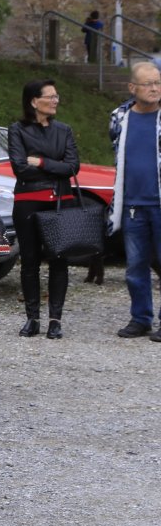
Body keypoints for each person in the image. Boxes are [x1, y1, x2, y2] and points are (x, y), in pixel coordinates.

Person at [9, 79, 81, 339]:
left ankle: (55, 320)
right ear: (33, 101)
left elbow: (72, 167)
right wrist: (55, 166)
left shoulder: (64, 130)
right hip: (28, 203)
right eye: (50, 96)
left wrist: (40, 162)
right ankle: (32, 318)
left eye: (56, 96)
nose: (55, 101)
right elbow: (19, 167)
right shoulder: (17, 130)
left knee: (59, 260)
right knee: (29, 261)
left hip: (60, 202)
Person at [109, 62, 161, 339]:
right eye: (148, 83)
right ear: (132, 88)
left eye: (158, 83)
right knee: (135, 266)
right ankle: (140, 318)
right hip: (132, 205)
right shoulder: (120, 118)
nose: (154, 88)